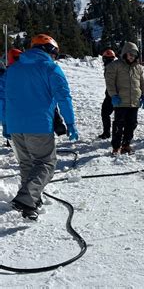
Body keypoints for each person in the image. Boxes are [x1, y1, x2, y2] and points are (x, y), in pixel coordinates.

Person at [1, 34, 78, 220]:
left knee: (27, 163)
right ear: (50, 50)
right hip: (38, 124)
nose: (54, 57)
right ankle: (27, 199)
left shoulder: (13, 69)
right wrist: (70, 122)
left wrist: (6, 124)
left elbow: (3, 99)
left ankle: (31, 202)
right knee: (46, 163)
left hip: (15, 125)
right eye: (55, 54)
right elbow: (63, 97)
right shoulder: (51, 68)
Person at [105, 41, 144, 154]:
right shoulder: (115, 65)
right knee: (119, 125)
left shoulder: (138, 67)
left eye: (134, 55)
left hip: (134, 102)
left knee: (132, 124)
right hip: (120, 101)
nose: (132, 57)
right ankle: (116, 147)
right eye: (130, 54)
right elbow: (110, 82)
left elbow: (142, 83)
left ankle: (126, 145)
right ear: (125, 53)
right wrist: (113, 95)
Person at [98, 49, 116, 139]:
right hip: (115, 93)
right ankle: (115, 132)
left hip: (111, 94)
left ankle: (107, 133)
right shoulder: (115, 66)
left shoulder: (109, 67)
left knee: (105, 113)